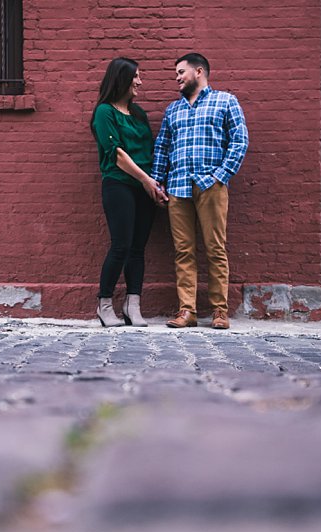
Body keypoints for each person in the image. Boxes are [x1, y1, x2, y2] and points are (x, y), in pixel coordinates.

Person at [151, 53, 249, 330]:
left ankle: (219, 310)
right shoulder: (173, 109)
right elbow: (162, 147)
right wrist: (158, 182)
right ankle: (187, 311)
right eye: (176, 74)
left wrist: (219, 177)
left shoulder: (226, 101)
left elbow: (239, 141)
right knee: (183, 251)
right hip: (178, 187)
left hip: (211, 187)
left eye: (181, 72)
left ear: (199, 71)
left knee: (215, 249)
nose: (177, 78)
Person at [91, 57, 168, 327]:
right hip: (119, 185)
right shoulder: (104, 113)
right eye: (135, 76)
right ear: (121, 79)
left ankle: (132, 305)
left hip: (145, 187)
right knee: (121, 245)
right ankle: (104, 304)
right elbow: (118, 156)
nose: (140, 81)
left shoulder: (139, 115)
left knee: (138, 249)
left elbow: (149, 150)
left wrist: (155, 184)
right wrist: (147, 181)